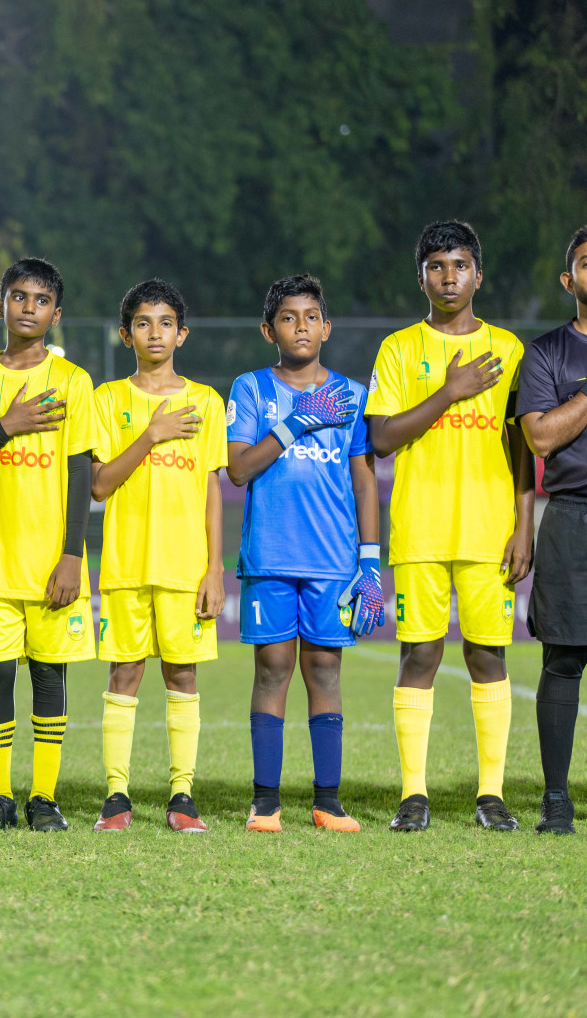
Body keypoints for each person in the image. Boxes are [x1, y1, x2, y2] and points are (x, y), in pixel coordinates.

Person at [365, 220, 533, 833]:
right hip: (421, 528)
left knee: (489, 655)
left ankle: (491, 795)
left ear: (477, 274)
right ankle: (415, 794)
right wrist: (449, 390)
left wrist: (524, 526)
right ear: (422, 277)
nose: (448, 277)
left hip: (491, 530)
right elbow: (381, 437)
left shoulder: (511, 351)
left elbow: (523, 446)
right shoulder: (399, 349)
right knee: (420, 654)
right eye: (436, 267)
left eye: (459, 265)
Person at [0, 258, 95, 833]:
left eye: (41, 299)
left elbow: (81, 472)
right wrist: (8, 424)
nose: (29, 308)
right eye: (19, 297)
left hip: (52, 560)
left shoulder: (74, 382)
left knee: (50, 676)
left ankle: (44, 799)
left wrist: (73, 554)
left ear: (57, 313)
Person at [225, 274, 381, 833]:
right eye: (289, 318)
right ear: (270, 330)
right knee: (272, 670)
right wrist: (297, 419)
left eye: (311, 316)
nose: (301, 326)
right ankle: (265, 801)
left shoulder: (351, 396)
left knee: (325, 670)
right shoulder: (251, 389)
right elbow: (239, 468)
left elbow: (364, 482)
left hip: (334, 562)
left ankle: (328, 801)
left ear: (327, 327)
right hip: (270, 555)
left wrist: (369, 563)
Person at [90, 278, 226, 834]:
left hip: (185, 566)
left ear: (182, 333)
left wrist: (215, 569)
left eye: (165, 323)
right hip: (126, 564)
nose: (155, 332)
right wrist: (151, 434)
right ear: (126, 335)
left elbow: (213, 491)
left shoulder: (206, 402)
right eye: (143, 323)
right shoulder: (108, 400)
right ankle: (116, 796)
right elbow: (99, 485)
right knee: (125, 674)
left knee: (183, 675)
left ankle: (182, 796)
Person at [513, 225, 587, 835]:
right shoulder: (546, 354)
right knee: (563, 659)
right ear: (569, 281)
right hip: (572, 515)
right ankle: (556, 800)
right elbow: (539, 437)